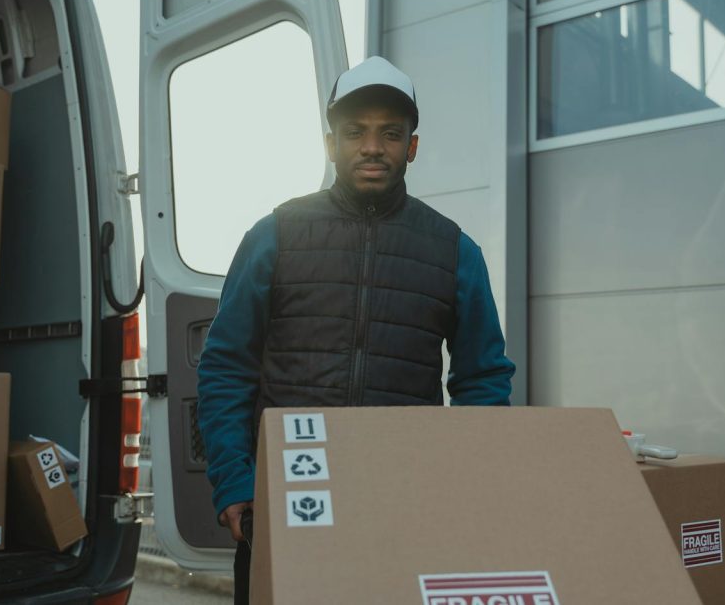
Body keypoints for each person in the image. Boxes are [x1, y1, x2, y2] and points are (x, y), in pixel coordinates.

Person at [196, 56, 515, 603]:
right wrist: (235, 481)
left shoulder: (455, 251)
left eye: (391, 133)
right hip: (286, 499)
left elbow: (484, 379)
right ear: (331, 143)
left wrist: (457, 480)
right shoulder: (274, 234)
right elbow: (226, 367)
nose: (372, 146)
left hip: (402, 505)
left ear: (412, 146)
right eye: (355, 132)